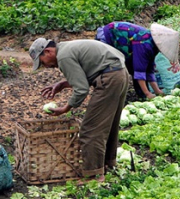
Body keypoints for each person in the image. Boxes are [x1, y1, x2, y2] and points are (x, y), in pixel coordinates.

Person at [31, 38, 130, 181]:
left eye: (42, 61)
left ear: (47, 51)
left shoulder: (63, 56)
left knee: (90, 129)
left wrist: (66, 108)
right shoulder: (67, 47)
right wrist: (64, 84)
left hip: (109, 78)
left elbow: (81, 89)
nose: (45, 66)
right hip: (119, 73)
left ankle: (94, 174)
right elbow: (89, 71)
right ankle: (108, 164)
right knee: (109, 124)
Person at [95, 22, 180, 99]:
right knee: (112, 70)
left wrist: (157, 91)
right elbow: (139, 70)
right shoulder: (144, 45)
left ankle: (142, 94)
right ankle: (107, 95)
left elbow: (149, 70)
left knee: (139, 67)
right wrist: (148, 93)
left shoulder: (152, 46)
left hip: (126, 43)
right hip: (109, 37)